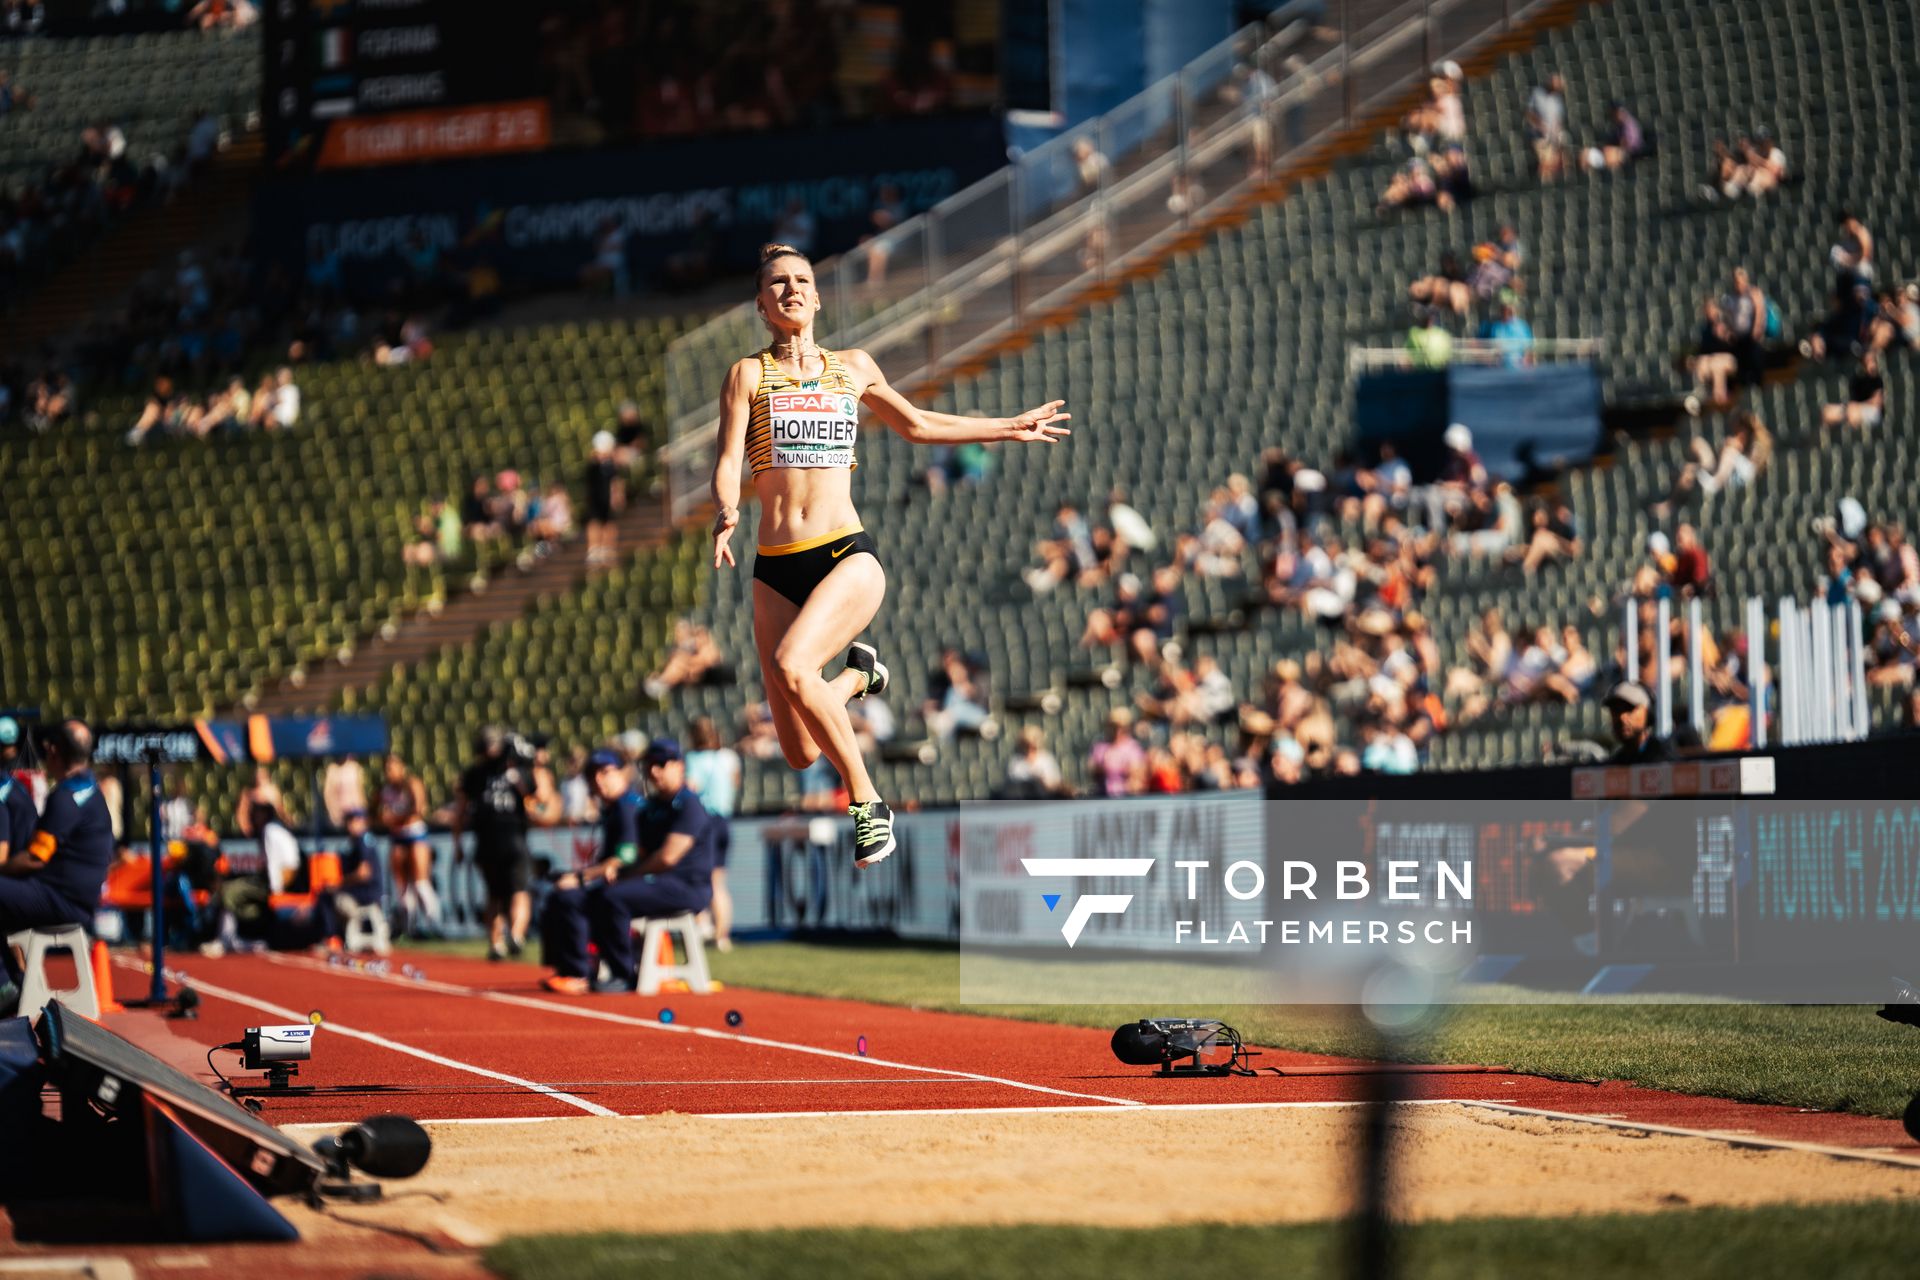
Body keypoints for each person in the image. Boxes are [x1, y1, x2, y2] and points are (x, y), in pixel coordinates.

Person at [708, 243, 1069, 868]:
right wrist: (726, 510)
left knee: (795, 667)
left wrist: (1008, 426)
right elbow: (725, 460)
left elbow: (919, 425)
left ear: (818, 298)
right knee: (798, 750)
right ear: (762, 306)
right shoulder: (747, 374)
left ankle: (868, 803)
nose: (791, 289)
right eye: (777, 284)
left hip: (846, 554)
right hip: (775, 568)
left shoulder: (853, 366)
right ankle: (856, 676)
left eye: (802, 280)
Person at [541, 740, 717, 994]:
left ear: (679, 766)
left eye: (662, 764)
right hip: (656, 881)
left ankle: (623, 974)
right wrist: (617, 870)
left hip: (686, 885)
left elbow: (667, 858)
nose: (654, 771)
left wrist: (623, 874)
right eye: (650, 766)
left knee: (613, 896)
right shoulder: (653, 807)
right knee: (581, 898)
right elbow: (636, 851)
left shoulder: (689, 804)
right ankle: (581, 970)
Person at [0, 721, 112, 1010]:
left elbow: (36, 858)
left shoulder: (65, 798)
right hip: (77, 898)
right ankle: (15, 983)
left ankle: (6, 987)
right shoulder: (89, 787)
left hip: (61, 899)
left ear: (53, 751)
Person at [453, 726, 535, 961]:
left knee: (518, 889)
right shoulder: (474, 774)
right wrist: (458, 843)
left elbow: (534, 799)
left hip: (515, 839)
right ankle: (496, 941)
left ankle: (515, 936)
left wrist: (518, 777)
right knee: (495, 894)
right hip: (488, 841)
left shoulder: (518, 772)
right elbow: (461, 810)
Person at [682, 717, 740, 952]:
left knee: (696, 876)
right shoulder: (729, 757)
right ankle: (722, 936)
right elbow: (734, 784)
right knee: (719, 882)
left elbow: (692, 788)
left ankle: (702, 923)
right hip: (724, 820)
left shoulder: (693, 759)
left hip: (705, 821)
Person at [376, 753, 441, 937]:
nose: (389, 772)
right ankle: (410, 926)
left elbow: (418, 809)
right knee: (402, 885)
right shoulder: (385, 790)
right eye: (386, 768)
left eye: (392, 767)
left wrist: (395, 818)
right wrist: (384, 819)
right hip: (397, 837)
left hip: (415, 835)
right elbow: (376, 814)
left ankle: (433, 924)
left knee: (421, 882)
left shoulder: (412, 784)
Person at [317, 809, 383, 950]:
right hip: (361, 891)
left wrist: (339, 883)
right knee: (326, 893)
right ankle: (337, 936)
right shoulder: (352, 843)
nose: (351, 825)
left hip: (367, 893)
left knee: (326, 895)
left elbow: (364, 873)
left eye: (356, 821)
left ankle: (332, 937)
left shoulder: (363, 840)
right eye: (350, 821)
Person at [1604, 681, 1672, 764]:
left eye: (1629, 708)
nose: (1622, 717)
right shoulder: (1616, 762)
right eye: (1615, 710)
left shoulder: (1664, 759)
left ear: (1648, 713)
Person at [584, 430, 623, 567]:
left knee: (609, 523)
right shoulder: (593, 465)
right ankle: (594, 549)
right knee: (594, 522)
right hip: (596, 498)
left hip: (608, 499)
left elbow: (615, 482)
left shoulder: (611, 465)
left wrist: (617, 496)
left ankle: (608, 549)